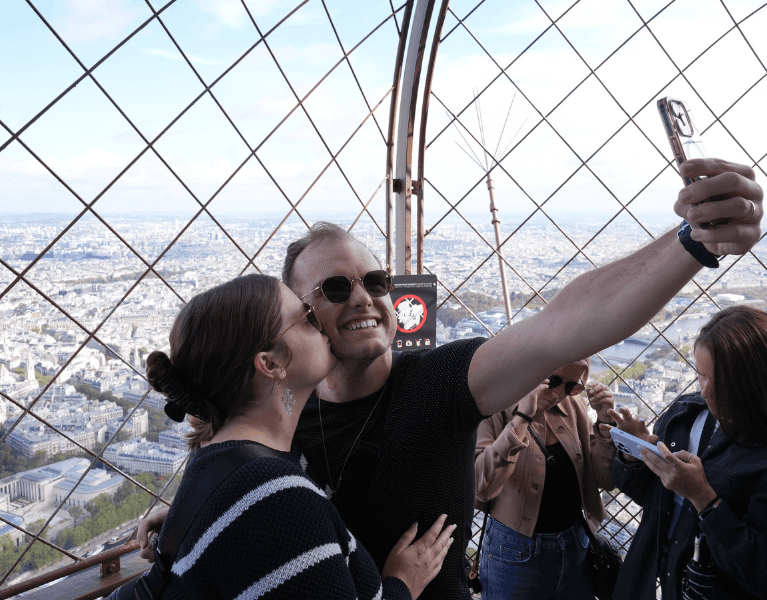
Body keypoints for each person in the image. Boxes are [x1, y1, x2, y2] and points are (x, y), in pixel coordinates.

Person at [139, 158, 763, 599]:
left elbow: (563, 327)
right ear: (297, 317)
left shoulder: (436, 382)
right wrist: (186, 521)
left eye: (376, 281)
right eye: (333, 289)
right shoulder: (282, 412)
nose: (365, 299)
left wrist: (690, 242)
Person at [122, 274, 455, 600]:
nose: (321, 321)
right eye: (307, 317)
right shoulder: (273, 497)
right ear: (271, 363)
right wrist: (402, 585)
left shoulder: (227, 462)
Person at [605, 305, 767, 600]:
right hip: (658, 576)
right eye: (700, 375)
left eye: (717, 380)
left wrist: (704, 498)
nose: (704, 392)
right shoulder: (685, 414)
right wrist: (634, 453)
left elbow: (760, 569)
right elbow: (653, 499)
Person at [474, 360, 616, 599]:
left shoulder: (574, 407)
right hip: (514, 554)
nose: (560, 394)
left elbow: (604, 480)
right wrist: (521, 419)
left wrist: (605, 425)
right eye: (554, 381)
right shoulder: (494, 406)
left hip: (575, 547)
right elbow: (479, 484)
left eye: (572, 386)